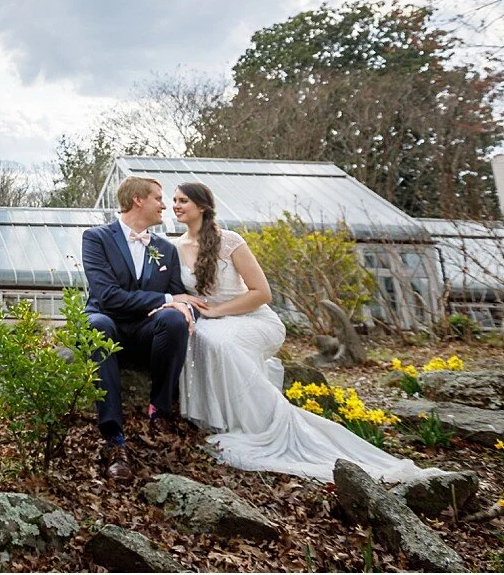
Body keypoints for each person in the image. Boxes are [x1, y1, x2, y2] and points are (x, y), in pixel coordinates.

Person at [170, 180, 428, 483]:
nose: (175, 205)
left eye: (183, 200)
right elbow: (171, 290)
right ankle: (225, 421)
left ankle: (260, 425)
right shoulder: (174, 247)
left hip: (252, 318)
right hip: (212, 322)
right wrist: (182, 299)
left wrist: (216, 311)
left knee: (221, 341)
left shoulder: (230, 241)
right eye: (173, 200)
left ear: (202, 206)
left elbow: (262, 293)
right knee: (201, 337)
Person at [81, 175, 204, 481]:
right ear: (138, 200)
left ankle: (159, 412)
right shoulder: (96, 238)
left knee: (175, 319)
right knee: (98, 324)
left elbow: (178, 296)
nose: (166, 206)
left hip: (148, 329)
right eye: (159, 198)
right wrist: (166, 298)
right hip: (108, 322)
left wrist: (180, 305)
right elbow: (107, 296)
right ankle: (114, 439)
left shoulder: (166, 248)